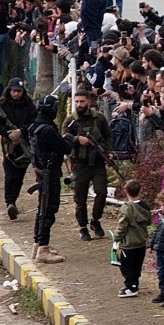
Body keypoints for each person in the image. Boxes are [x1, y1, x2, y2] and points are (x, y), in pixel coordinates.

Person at [64, 92, 112, 241]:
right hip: (80, 164)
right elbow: (64, 137)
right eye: (77, 101)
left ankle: (95, 220)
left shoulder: (99, 118)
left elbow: (108, 136)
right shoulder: (71, 120)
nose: (79, 104)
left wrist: (107, 152)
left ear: (89, 102)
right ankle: (83, 227)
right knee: (80, 198)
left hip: (97, 162)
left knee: (102, 192)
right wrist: (78, 139)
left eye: (82, 101)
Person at [28, 96, 68, 265]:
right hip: (49, 174)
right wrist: (70, 139)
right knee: (48, 209)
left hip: (41, 171)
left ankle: (38, 244)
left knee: (42, 209)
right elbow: (65, 147)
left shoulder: (34, 126)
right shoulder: (47, 130)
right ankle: (42, 249)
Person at [0, 78, 36, 220]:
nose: (16, 94)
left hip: (25, 144)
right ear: (9, 91)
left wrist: (21, 131)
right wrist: (9, 134)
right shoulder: (2, 106)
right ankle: (10, 202)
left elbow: (34, 122)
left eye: (19, 91)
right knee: (10, 174)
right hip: (9, 145)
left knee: (20, 174)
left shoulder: (29, 105)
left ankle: (13, 199)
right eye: (14, 91)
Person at [114, 177, 150, 298]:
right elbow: (149, 221)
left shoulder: (126, 208)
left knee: (126, 265)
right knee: (137, 266)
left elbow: (122, 226)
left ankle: (131, 286)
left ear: (126, 191)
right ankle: (135, 284)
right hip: (141, 242)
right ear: (140, 191)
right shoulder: (145, 206)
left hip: (128, 243)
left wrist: (116, 237)